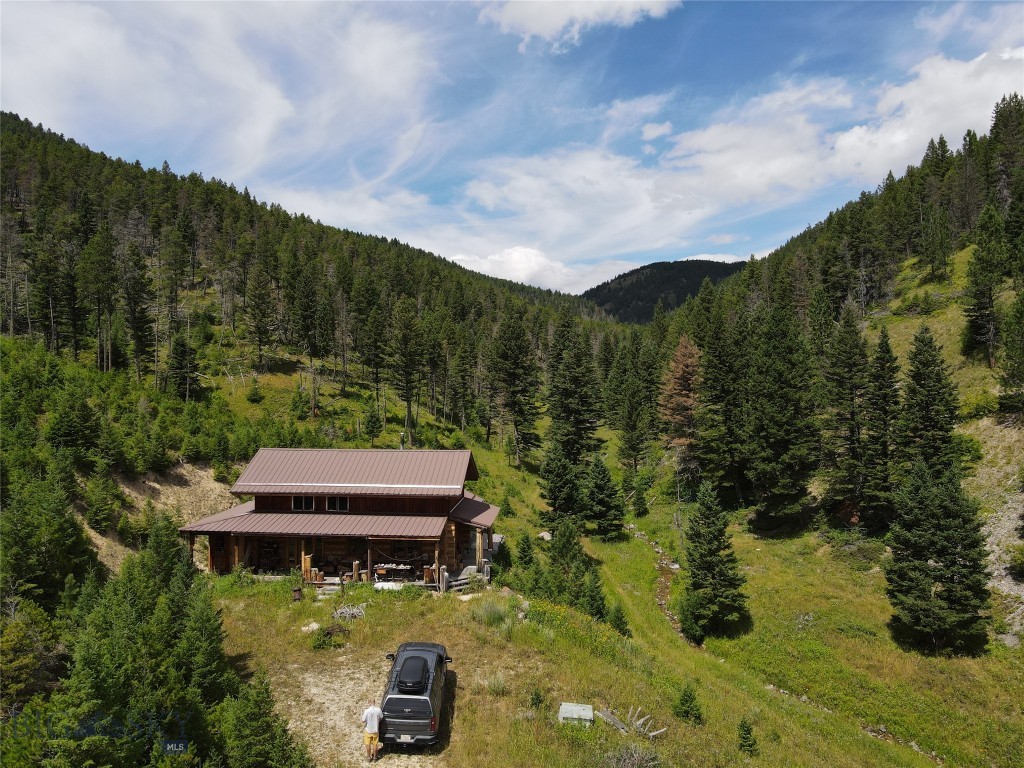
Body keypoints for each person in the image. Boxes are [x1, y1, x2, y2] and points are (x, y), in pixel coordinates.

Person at [361, 697, 384, 762]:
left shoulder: (366, 711)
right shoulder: (378, 710)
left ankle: (368, 757)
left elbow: (363, 721)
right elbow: (381, 718)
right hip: (375, 730)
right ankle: (375, 757)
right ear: (374, 702)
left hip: (368, 730)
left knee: (367, 744)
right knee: (375, 744)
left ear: (369, 703)